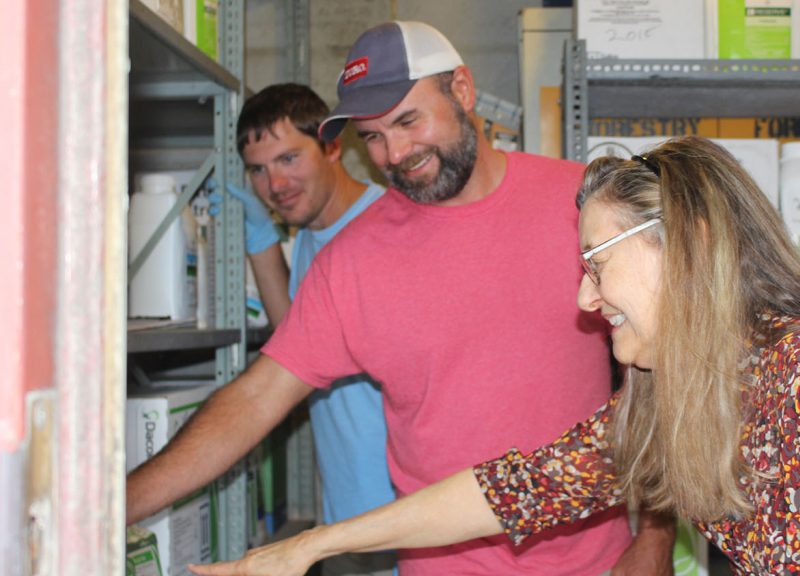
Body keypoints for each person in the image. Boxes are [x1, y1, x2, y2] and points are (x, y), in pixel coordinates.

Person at [191, 136, 800, 576]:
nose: (587, 301)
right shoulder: (678, 399)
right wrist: (304, 549)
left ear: (690, 245)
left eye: (598, 264)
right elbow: (508, 488)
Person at [128, 21, 675, 576]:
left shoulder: (580, 205)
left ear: (462, 89)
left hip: (592, 562)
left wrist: (654, 537)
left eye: (408, 120)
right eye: (372, 136)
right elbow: (254, 400)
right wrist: (118, 506)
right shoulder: (352, 262)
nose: (395, 152)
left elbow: (660, 379)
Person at [137, 82, 398, 575]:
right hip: (347, 514)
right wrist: (261, 240)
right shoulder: (308, 237)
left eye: (289, 159)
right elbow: (297, 346)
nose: (275, 184)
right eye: (259, 169)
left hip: (406, 520)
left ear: (332, 146)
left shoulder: (385, 228)